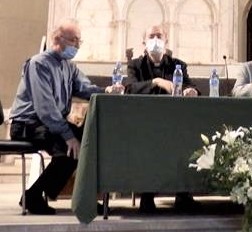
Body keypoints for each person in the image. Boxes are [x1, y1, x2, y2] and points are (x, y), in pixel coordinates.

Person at [9, 20, 108, 215]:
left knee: (88, 142)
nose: (77, 46)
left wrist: (108, 91)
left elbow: (85, 88)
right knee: (68, 149)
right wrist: (68, 135)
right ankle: (32, 196)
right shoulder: (38, 64)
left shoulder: (69, 67)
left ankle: (83, 198)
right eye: (73, 40)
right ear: (57, 39)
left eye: (79, 41)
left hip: (48, 125)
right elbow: (45, 108)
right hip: (27, 124)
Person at [125, 24, 200, 213]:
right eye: (151, 36)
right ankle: (147, 195)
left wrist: (191, 91)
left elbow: (191, 87)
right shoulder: (135, 65)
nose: (155, 40)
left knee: (186, 140)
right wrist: (156, 82)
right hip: (145, 122)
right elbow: (130, 88)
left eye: (159, 36)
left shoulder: (177, 64)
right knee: (149, 143)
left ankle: (183, 195)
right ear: (144, 41)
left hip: (174, 122)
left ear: (166, 40)